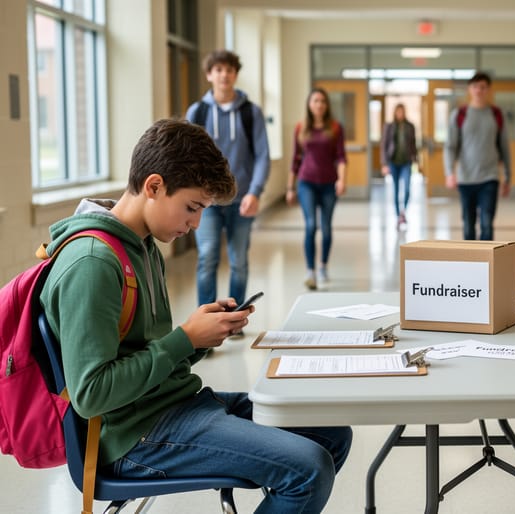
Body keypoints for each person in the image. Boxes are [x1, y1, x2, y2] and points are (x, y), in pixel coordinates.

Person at [38, 119, 352, 514]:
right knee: (310, 468)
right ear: (153, 187)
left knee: (332, 433)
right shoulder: (93, 263)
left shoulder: (143, 245)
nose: (196, 224)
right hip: (133, 435)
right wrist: (184, 338)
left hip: (173, 405)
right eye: (192, 207)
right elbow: (92, 394)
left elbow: (144, 353)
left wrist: (200, 337)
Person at [186, 49, 270, 334]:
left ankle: (233, 322)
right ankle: (205, 325)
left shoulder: (250, 112)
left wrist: (255, 192)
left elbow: (262, 155)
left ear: (235, 74)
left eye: (229, 70)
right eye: (218, 69)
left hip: (242, 199)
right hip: (205, 202)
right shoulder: (197, 112)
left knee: (239, 262)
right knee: (207, 257)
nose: (224, 75)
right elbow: (186, 156)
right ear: (210, 74)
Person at [286, 87, 347, 290]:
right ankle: (310, 271)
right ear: (309, 105)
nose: (319, 104)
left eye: (322, 101)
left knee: (327, 229)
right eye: (315, 101)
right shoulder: (301, 128)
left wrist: (342, 180)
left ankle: (323, 266)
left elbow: (341, 157)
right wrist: (290, 187)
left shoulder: (336, 128)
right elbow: (295, 159)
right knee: (311, 225)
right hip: (306, 182)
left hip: (329, 183)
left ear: (326, 105)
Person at [444, 71, 511, 240]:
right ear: (469, 89)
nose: (479, 91)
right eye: (475, 87)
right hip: (466, 178)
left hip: (490, 177)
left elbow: (504, 147)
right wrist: (449, 172)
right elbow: (450, 146)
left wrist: (508, 177)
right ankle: (471, 264)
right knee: (468, 222)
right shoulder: (459, 115)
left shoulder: (496, 114)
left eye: (483, 87)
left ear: (488, 90)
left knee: (487, 222)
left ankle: (487, 264)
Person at [380, 103, 418, 229]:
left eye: (402, 112)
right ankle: (398, 216)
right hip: (393, 162)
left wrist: (416, 160)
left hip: (406, 162)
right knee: (396, 190)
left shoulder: (410, 126)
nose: (400, 114)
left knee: (407, 189)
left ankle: (403, 212)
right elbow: (384, 145)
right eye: (398, 112)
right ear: (395, 113)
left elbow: (413, 144)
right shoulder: (389, 127)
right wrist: (384, 163)